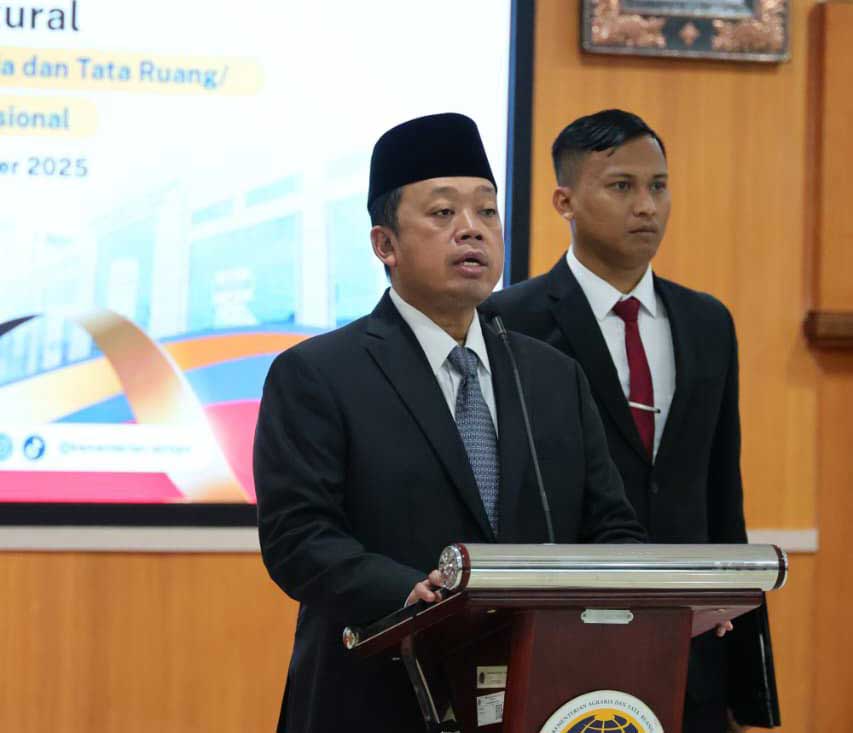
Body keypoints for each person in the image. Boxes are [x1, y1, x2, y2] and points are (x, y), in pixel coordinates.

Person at [253, 112, 646, 733]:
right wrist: (410, 590)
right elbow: (298, 539)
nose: (472, 228)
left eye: (487, 211)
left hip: (535, 692)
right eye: (442, 213)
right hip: (374, 696)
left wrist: (658, 594)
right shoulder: (318, 374)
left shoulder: (551, 376)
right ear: (385, 245)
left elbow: (610, 525)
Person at [484, 109, 780, 733]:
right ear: (564, 201)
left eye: (658, 186)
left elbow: (722, 493)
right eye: (622, 186)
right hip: (558, 635)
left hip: (690, 640)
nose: (647, 206)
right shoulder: (507, 321)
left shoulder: (707, 322)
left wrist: (744, 680)